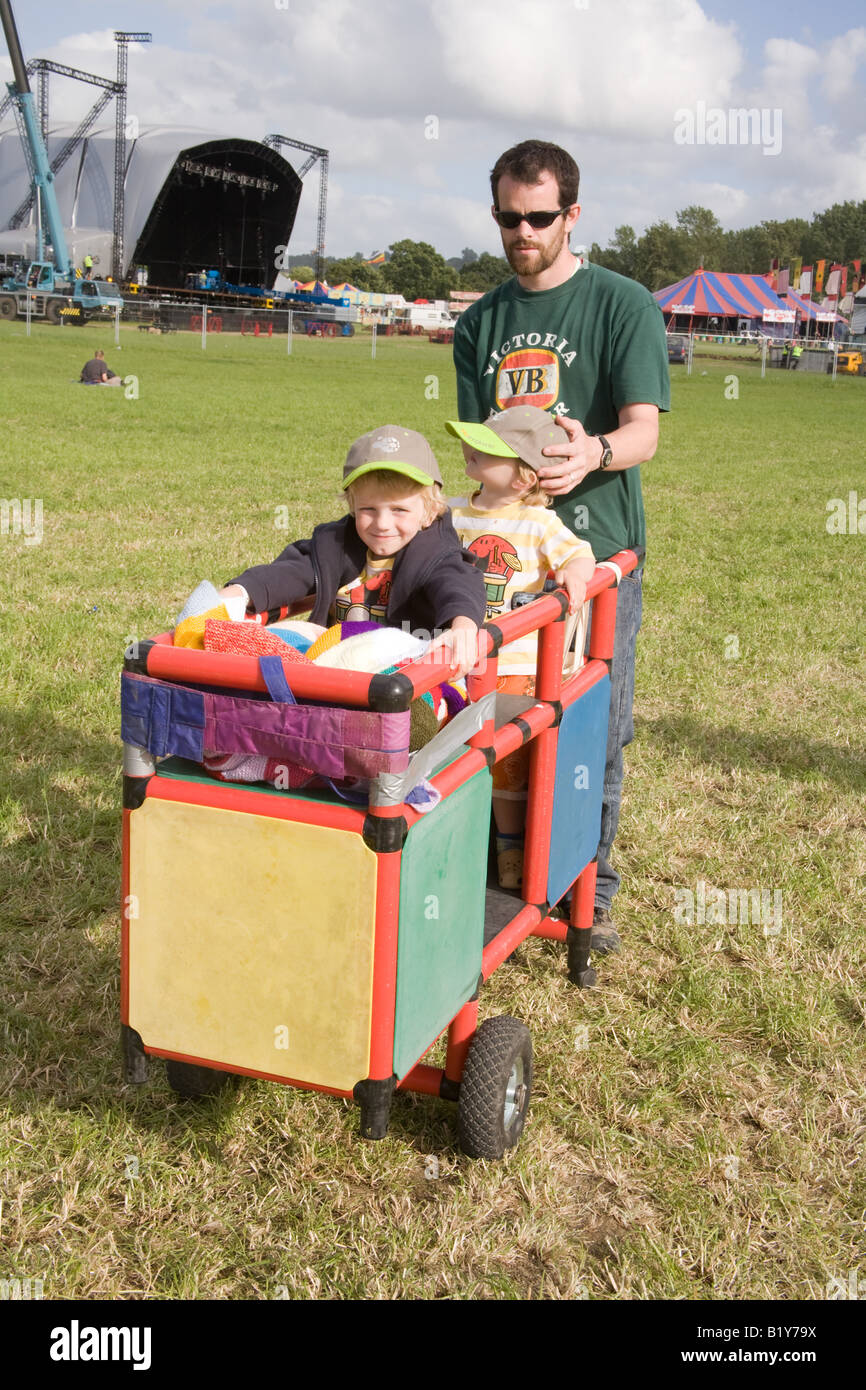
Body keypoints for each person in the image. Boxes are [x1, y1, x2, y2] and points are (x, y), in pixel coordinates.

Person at [453, 138, 670, 953]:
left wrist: (594, 454)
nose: (522, 232)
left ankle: (587, 892)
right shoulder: (480, 323)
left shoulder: (622, 304)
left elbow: (644, 431)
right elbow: (479, 443)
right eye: (508, 217)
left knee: (591, 729)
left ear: (572, 214)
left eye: (539, 217)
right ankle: (489, 879)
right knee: (484, 719)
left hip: (599, 560)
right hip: (503, 557)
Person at [445, 406, 595, 890]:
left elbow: (578, 552)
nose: (473, 450)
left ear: (524, 476)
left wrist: (574, 573)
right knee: (448, 751)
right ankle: (455, 841)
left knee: (507, 765)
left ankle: (509, 846)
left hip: (511, 663)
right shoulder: (450, 513)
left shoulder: (537, 523)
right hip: (453, 658)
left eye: (489, 449)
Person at [219, 425, 485, 676]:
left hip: (404, 671)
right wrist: (238, 592)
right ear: (352, 506)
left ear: (429, 513)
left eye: (399, 510)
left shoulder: (436, 554)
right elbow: (292, 571)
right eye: (368, 509)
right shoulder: (335, 545)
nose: (382, 524)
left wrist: (461, 626)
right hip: (338, 668)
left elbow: (459, 584)